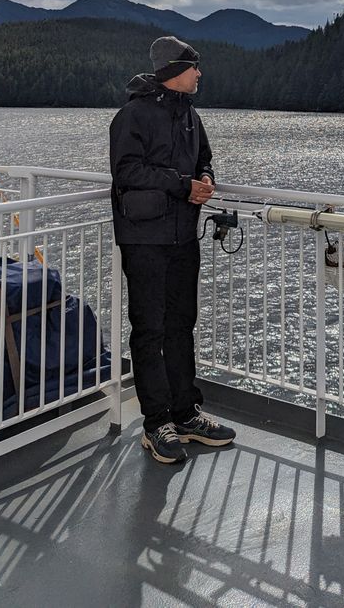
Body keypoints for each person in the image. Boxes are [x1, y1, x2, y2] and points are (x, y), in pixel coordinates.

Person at [109, 35, 235, 464]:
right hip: (144, 239)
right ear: (173, 71)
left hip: (183, 237)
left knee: (182, 323)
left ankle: (185, 413)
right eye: (194, 67)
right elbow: (127, 170)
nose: (200, 74)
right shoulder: (132, 116)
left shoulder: (190, 117)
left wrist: (207, 179)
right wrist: (184, 186)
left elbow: (205, 159)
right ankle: (155, 422)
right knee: (150, 329)